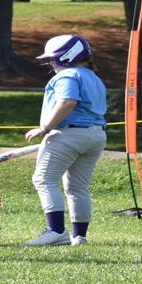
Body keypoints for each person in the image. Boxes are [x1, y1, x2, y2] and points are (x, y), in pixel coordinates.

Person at [24, 33, 106, 248]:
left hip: (69, 134)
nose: (51, 63)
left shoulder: (67, 76)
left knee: (44, 179)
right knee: (78, 187)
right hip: (96, 135)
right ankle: (79, 237)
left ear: (66, 56)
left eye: (53, 58)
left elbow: (67, 102)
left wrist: (45, 128)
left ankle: (56, 231)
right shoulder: (93, 77)